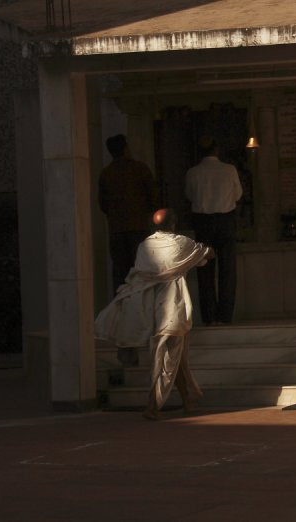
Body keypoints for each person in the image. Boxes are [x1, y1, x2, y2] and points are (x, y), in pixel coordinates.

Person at [94, 209, 214, 420]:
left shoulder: (144, 246)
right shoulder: (180, 243)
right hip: (171, 308)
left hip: (147, 307)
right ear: (174, 225)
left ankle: (187, 400)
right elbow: (206, 254)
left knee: (176, 358)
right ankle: (153, 404)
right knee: (167, 356)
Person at [185, 137, 243, 325]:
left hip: (203, 222)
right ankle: (225, 316)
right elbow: (238, 194)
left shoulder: (193, 172)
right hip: (225, 220)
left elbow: (189, 195)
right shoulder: (229, 170)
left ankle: (209, 317)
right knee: (228, 270)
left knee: (205, 270)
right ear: (217, 150)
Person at [98, 134, 158, 292]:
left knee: (120, 274)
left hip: (117, 229)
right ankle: (141, 310)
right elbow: (153, 197)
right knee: (141, 271)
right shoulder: (140, 169)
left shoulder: (106, 174)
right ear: (125, 149)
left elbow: (103, 204)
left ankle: (121, 310)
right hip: (138, 227)